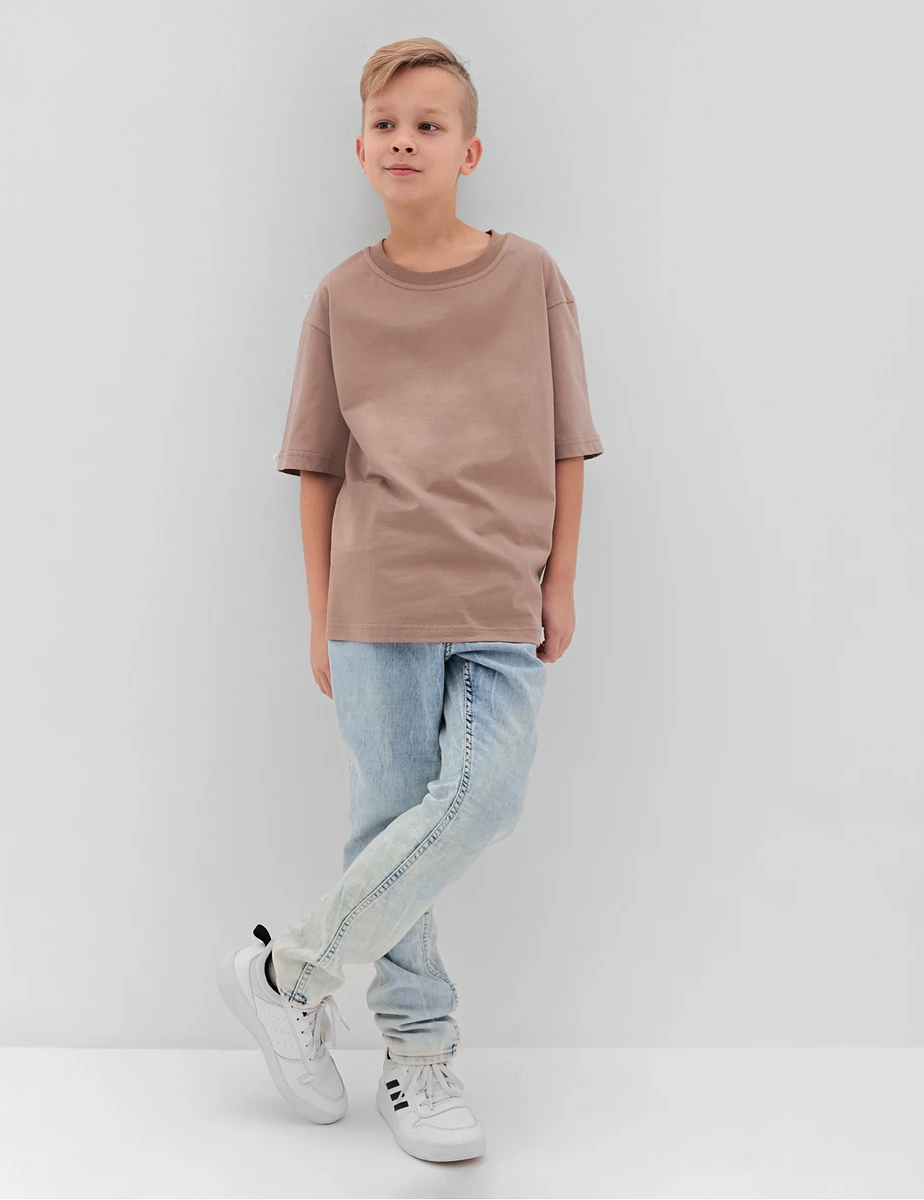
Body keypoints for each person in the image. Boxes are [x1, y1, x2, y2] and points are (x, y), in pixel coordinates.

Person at [216, 36, 602, 1163]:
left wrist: (562, 578)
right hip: (376, 599)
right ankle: (419, 1058)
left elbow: (569, 439)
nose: (404, 140)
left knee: (483, 800)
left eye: (428, 125)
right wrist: (318, 610)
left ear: (468, 151)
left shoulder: (530, 276)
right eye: (385, 124)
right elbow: (317, 465)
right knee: (390, 826)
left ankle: (287, 973)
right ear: (360, 149)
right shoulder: (341, 297)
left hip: (499, 595)